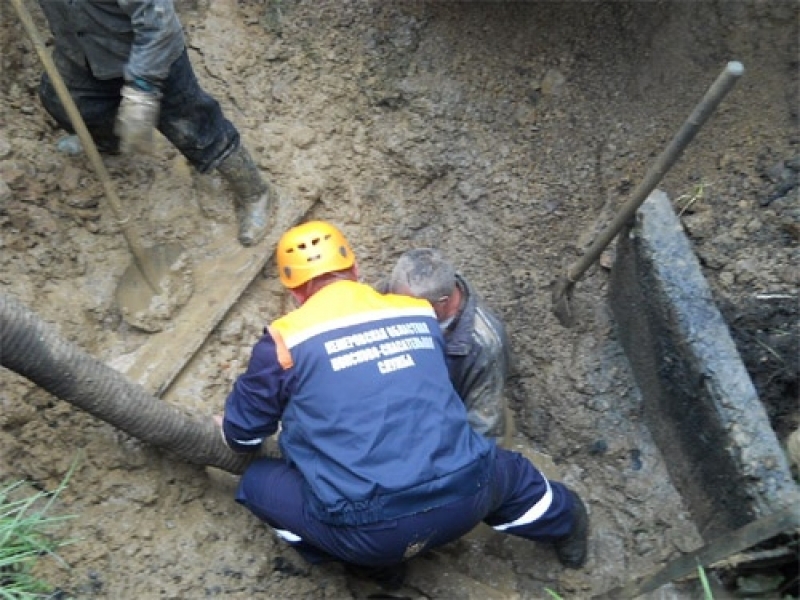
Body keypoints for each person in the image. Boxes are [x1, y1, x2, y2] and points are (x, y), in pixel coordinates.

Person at [217, 220, 589, 588]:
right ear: (356, 269)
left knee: (257, 484)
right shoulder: (418, 314)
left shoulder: (283, 342)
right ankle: (569, 523)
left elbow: (243, 435)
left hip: (370, 531)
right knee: (514, 477)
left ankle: (378, 571)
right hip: (467, 494)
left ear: (294, 291)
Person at [35, 0, 275, 247]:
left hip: (149, 53)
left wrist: (142, 88)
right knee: (63, 101)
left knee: (193, 129)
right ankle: (110, 143)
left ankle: (255, 192)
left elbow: (158, 24)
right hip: (80, 54)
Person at [387, 248, 512, 445]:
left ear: (441, 303)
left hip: (450, 418)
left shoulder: (484, 346)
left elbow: (485, 429)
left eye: (405, 308)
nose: (395, 311)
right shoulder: (404, 289)